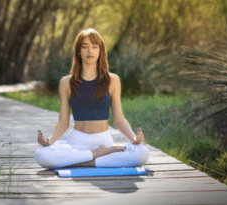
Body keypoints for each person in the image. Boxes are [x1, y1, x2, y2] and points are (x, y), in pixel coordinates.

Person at [34, 28, 150, 168]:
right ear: (78, 51)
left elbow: (119, 119)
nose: (90, 51)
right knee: (41, 155)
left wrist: (134, 139)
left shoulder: (113, 80)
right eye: (85, 47)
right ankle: (96, 156)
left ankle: (81, 162)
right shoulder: (66, 82)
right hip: (77, 141)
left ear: (100, 51)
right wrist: (49, 141)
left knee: (143, 153)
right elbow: (63, 123)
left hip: (104, 140)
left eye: (95, 47)